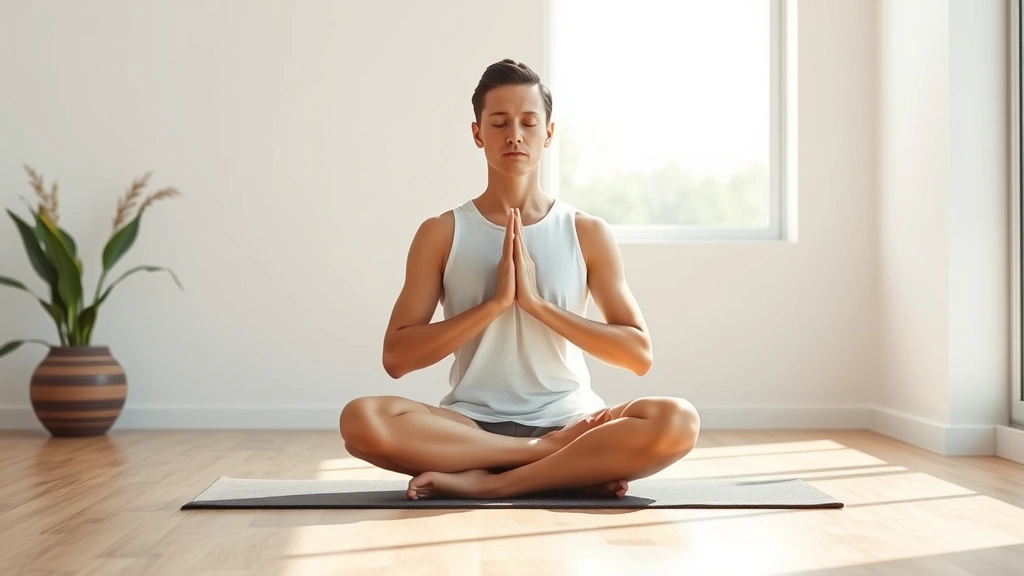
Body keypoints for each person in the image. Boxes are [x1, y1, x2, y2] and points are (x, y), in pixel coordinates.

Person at [339, 59, 700, 500]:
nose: (515, 135)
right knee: (361, 420)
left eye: (529, 122)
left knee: (678, 420)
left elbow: (638, 355)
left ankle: (495, 482)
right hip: (469, 427)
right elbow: (397, 358)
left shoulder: (586, 232)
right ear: (478, 134)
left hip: (570, 422)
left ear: (548, 133)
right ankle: (547, 460)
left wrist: (537, 305)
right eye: (499, 122)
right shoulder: (441, 232)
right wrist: (493, 305)